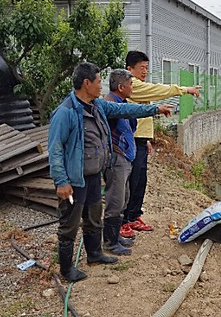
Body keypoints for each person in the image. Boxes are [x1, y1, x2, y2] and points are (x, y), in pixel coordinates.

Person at [48, 62, 172, 282]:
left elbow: (125, 109)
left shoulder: (97, 106)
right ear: (87, 83)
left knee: (94, 217)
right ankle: (67, 269)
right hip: (75, 179)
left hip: (94, 174)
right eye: (97, 81)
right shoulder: (65, 112)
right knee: (69, 224)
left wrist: (155, 109)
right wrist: (61, 181)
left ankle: (95, 254)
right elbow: (55, 149)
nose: (100, 86)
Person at [122, 51, 201, 236]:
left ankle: (133, 216)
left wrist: (147, 139)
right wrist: (183, 90)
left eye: (147, 68)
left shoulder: (137, 86)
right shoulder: (131, 85)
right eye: (142, 68)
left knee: (141, 180)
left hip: (140, 139)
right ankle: (124, 220)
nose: (145, 72)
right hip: (131, 139)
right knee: (131, 181)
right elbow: (156, 91)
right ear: (129, 69)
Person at [102, 69, 173, 255]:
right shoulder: (111, 104)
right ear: (120, 87)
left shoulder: (122, 102)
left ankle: (116, 236)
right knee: (115, 201)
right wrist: (156, 109)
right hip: (116, 159)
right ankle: (110, 242)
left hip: (125, 159)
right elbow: (132, 111)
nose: (133, 88)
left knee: (123, 199)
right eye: (130, 84)